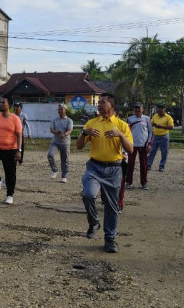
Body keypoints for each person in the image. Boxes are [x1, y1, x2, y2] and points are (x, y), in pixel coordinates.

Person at [76, 94, 133, 253]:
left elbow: (130, 150)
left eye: (103, 102)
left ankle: (109, 239)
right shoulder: (92, 123)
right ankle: (94, 222)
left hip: (114, 170)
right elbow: (79, 146)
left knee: (111, 206)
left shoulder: (122, 125)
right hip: (94, 167)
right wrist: (84, 132)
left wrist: (120, 135)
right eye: (98, 103)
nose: (99, 105)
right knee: (88, 194)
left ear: (112, 106)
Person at [0, 97, 23, 204]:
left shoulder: (15, 119)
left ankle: (9, 195)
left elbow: (19, 136)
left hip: (11, 149)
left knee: (10, 173)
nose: (1, 104)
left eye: (3, 103)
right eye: (0, 103)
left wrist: (19, 150)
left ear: (9, 105)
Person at [126, 102, 153, 190]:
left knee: (144, 165)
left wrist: (149, 143)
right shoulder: (130, 119)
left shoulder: (147, 119)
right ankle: (129, 182)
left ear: (142, 109)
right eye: (135, 108)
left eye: (139, 108)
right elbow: (127, 132)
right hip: (132, 145)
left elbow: (150, 132)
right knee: (130, 164)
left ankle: (144, 183)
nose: (137, 110)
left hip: (143, 145)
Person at [47, 104, 73, 183]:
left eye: (61, 109)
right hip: (55, 142)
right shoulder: (55, 120)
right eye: (58, 109)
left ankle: (64, 176)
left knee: (64, 159)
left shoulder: (69, 120)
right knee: (50, 155)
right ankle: (55, 170)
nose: (59, 111)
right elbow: (51, 129)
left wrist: (64, 134)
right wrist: (57, 132)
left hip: (65, 143)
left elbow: (70, 130)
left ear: (65, 110)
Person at [147, 103, 174, 172]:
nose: (159, 112)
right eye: (158, 110)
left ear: (164, 110)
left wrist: (161, 126)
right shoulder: (155, 116)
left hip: (164, 136)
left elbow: (171, 127)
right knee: (152, 151)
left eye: (160, 111)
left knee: (164, 152)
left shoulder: (168, 117)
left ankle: (162, 166)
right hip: (155, 136)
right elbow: (151, 123)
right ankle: (148, 165)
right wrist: (153, 124)